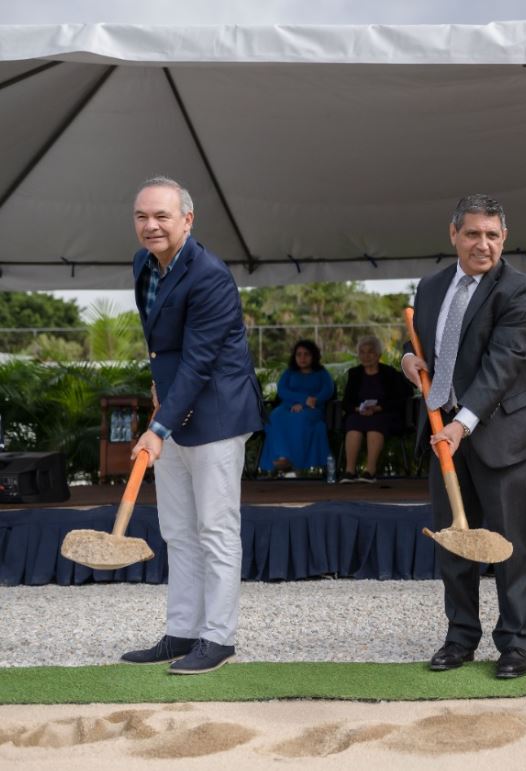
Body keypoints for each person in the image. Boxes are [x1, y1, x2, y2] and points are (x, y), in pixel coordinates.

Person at [401, 194, 526, 679]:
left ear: (504, 238)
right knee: (454, 542)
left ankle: (514, 644)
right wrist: (407, 358)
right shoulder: (430, 286)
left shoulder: (522, 290)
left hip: (500, 434)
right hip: (444, 435)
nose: (482, 244)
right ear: (454, 235)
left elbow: (502, 364)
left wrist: (462, 423)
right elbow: (424, 341)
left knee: (510, 545)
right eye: (472, 234)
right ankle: (460, 638)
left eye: (492, 235)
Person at [122, 176, 264, 674]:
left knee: (216, 529)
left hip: (218, 414)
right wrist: (159, 395)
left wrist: (156, 429)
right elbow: (162, 345)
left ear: (187, 219)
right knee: (177, 530)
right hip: (174, 407)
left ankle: (219, 638)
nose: (151, 226)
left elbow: (201, 360)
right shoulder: (143, 263)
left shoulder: (210, 276)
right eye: (142, 216)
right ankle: (182, 631)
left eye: (162, 216)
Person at [258, 339, 335, 475]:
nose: (302, 358)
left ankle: (295, 463)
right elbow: (282, 390)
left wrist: (310, 402)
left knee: (301, 418)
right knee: (275, 417)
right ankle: (283, 458)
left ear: (314, 356)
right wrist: (302, 400)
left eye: (306, 354)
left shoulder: (322, 373)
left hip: (312, 409)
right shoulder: (290, 372)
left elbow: (328, 390)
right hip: (288, 406)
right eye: (298, 354)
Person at [341, 336, 411, 482]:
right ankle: (350, 471)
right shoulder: (354, 374)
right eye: (362, 352)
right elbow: (346, 402)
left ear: (379, 354)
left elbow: (402, 397)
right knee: (353, 424)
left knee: (375, 424)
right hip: (359, 413)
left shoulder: (390, 373)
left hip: (384, 414)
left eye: (370, 352)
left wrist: (379, 408)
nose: (366, 356)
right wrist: (357, 409)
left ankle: (370, 472)